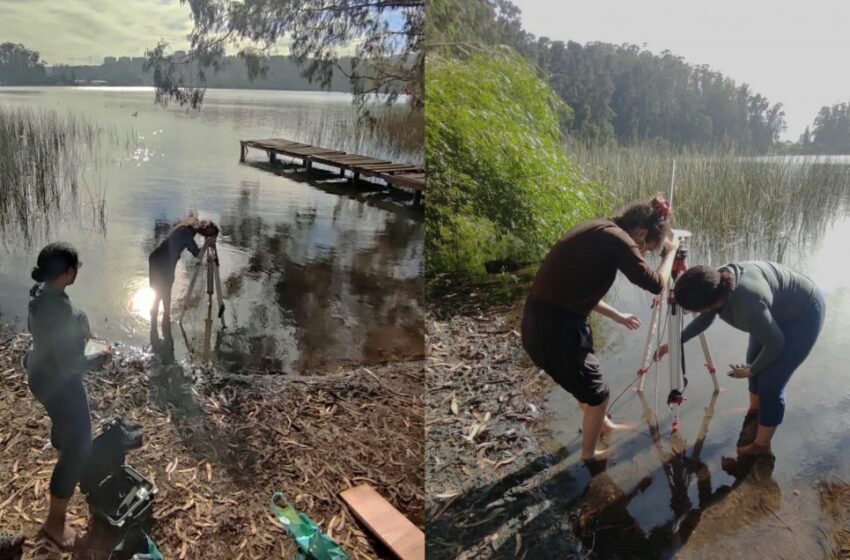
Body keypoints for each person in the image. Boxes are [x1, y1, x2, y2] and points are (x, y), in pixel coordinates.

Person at [521, 195, 680, 461]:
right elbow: (656, 283)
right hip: (556, 330)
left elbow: (576, 288)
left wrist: (617, 315)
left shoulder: (600, 228)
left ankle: (603, 425)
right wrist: (671, 252)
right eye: (648, 249)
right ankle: (589, 454)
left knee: (583, 384)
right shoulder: (619, 239)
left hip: (538, 322)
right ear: (640, 233)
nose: (644, 253)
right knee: (598, 395)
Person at [659, 261, 825, 456]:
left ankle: (760, 446)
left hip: (803, 314)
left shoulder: (748, 306)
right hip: (772, 311)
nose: (693, 313)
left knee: (770, 383)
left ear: (705, 304)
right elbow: (705, 317)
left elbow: (776, 345)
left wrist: (750, 370)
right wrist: (676, 342)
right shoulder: (714, 283)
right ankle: (754, 412)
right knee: (753, 358)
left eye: (692, 309)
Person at [25, 243, 112, 550]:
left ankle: (63, 481)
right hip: (59, 381)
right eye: (77, 267)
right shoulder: (56, 308)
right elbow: (70, 364)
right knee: (78, 446)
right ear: (69, 273)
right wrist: (99, 356)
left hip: (39, 372)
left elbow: (56, 325)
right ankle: (54, 525)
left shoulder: (39, 293)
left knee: (66, 431)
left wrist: (79, 322)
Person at [148, 217, 218, 325]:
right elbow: (198, 255)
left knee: (160, 288)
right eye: (207, 233)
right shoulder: (187, 234)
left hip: (156, 258)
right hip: (163, 262)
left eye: (208, 235)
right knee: (165, 289)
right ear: (205, 227)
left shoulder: (188, 225)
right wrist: (207, 244)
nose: (206, 236)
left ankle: (155, 313)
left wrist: (206, 242)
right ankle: (166, 317)